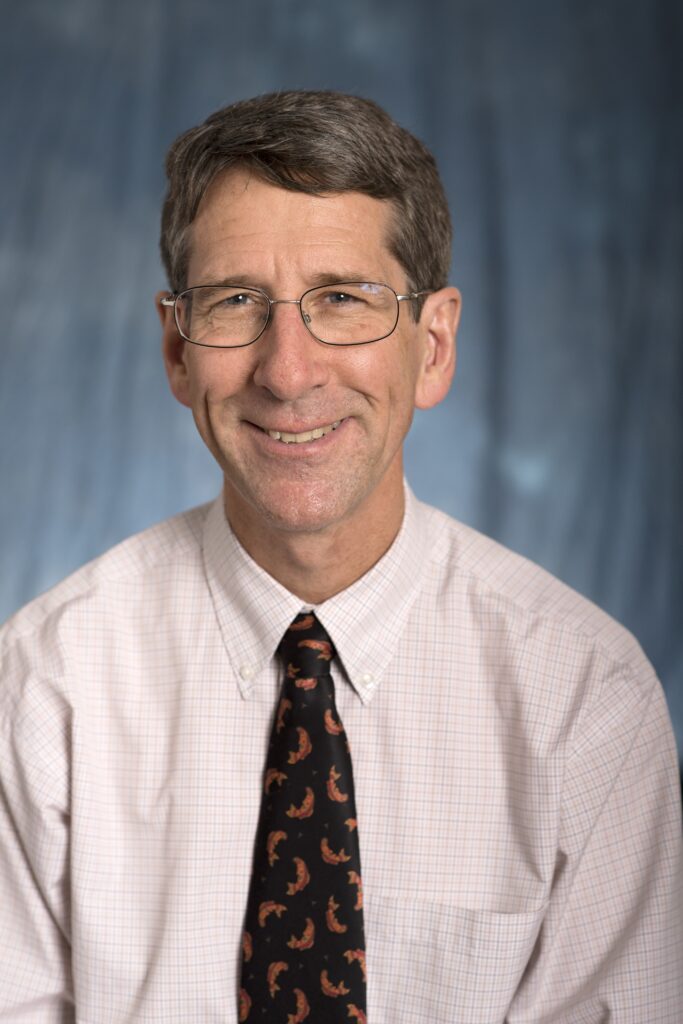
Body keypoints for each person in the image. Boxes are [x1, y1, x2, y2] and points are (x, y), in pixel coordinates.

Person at [0, 90, 681, 1023]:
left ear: (432, 346)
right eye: (237, 302)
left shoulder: (584, 699)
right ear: (175, 348)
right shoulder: (47, 686)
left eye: (343, 301)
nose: (288, 370)